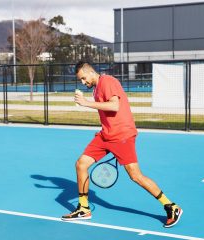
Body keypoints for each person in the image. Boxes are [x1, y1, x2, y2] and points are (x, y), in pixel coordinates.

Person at [61, 61, 183, 228]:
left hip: (122, 136)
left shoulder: (108, 81)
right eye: (80, 80)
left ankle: (171, 207)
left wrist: (86, 103)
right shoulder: (96, 88)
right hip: (105, 136)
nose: (83, 82)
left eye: (83, 78)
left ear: (89, 72)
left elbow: (114, 105)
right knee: (81, 164)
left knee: (136, 176)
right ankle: (83, 208)